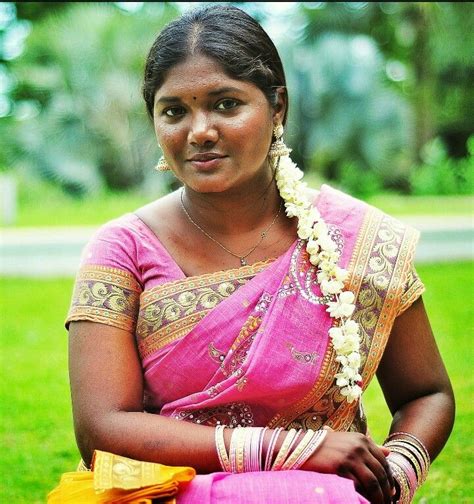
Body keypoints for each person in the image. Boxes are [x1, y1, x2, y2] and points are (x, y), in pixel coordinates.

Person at [53, 5, 455, 503]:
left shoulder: (357, 238)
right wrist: (289, 451)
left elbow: (426, 393)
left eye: (225, 104)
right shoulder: (122, 249)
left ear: (277, 107)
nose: (199, 130)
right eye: (174, 110)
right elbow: (101, 429)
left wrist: (394, 473)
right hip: (171, 493)